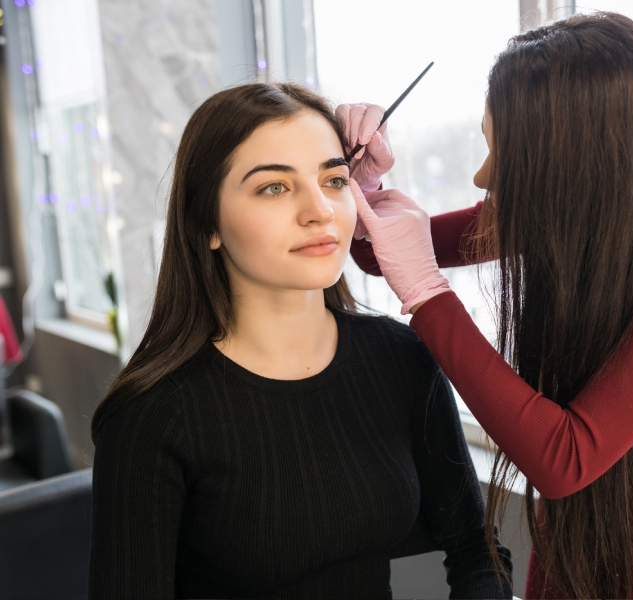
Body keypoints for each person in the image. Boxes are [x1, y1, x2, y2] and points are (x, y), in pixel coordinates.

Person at [344, 12, 633, 599]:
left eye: (502, 154)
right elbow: (379, 254)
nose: (481, 176)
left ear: (571, 158)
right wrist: (361, 184)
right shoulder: (575, 212)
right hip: (565, 575)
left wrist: (426, 294)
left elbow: (564, 460)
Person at [88, 82, 512, 599]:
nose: (320, 210)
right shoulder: (151, 417)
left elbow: (477, 552)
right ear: (207, 225)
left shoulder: (399, 357)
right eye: (274, 187)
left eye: (334, 180)